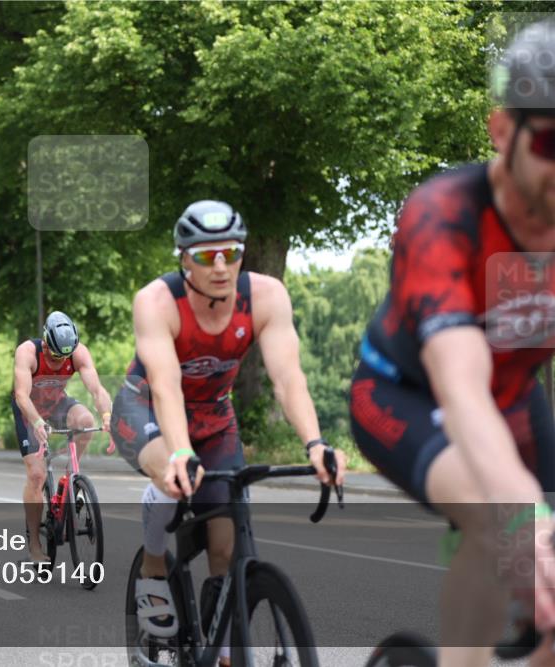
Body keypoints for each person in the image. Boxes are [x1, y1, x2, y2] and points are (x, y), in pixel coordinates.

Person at [349, 21, 555, 667]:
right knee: (501, 523)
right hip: (407, 394)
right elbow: (461, 389)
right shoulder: (442, 213)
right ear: (502, 130)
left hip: (518, 397)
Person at [110, 200, 344, 649]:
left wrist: (316, 444)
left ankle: (221, 644)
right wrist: (180, 453)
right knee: (172, 479)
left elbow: (288, 378)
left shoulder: (267, 296)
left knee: (224, 549)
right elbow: (166, 386)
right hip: (148, 409)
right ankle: (153, 567)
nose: (220, 266)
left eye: (231, 252)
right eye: (204, 255)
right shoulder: (156, 301)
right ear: (184, 259)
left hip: (215, 418)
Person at [13, 310, 113, 563]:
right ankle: (34, 544)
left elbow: (97, 389)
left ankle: (71, 477)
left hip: (57, 403)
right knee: (36, 475)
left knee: (86, 420)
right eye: (56, 356)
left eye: (65, 356)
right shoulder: (27, 352)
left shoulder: (78, 352)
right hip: (29, 411)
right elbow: (21, 396)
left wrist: (108, 416)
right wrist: (36, 422)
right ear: (45, 342)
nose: (61, 362)